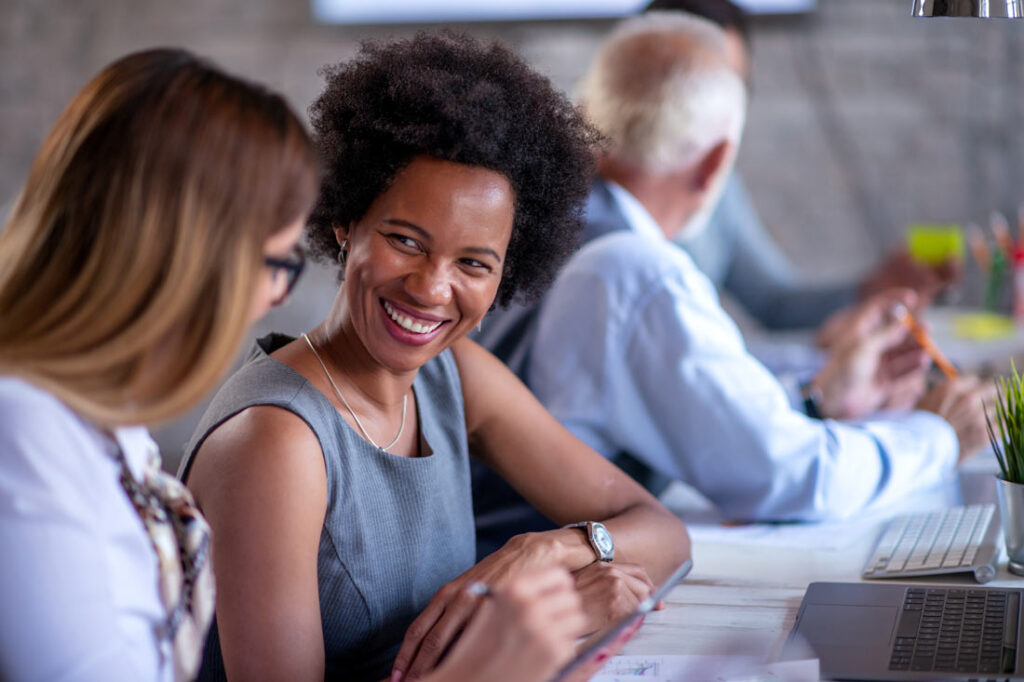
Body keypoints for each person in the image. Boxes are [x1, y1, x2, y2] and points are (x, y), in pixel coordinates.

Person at [0, 48, 593, 682]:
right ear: (178, 251)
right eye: (274, 263)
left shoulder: (103, 432)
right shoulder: (26, 437)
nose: (274, 297)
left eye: (473, 262)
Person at [178, 32, 690, 682]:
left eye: (473, 263)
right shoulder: (276, 441)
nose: (431, 288)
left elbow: (664, 533)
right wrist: (519, 644)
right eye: (405, 240)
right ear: (346, 221)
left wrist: (546, 554)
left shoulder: (456, 378)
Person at [472, 12, 994, 547]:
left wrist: (815, 399)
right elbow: (794, 479)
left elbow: (693, 407)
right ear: (715, 161)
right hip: (537, 591)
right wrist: (940, 434)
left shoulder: (547, 219)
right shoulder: (632, 273)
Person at [647, 0, 961, 332]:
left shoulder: (720, 188)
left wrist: (872, 288)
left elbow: (775, 303)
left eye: (736, 92)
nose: (725, 118)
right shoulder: (596, 204)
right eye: (706, 91)